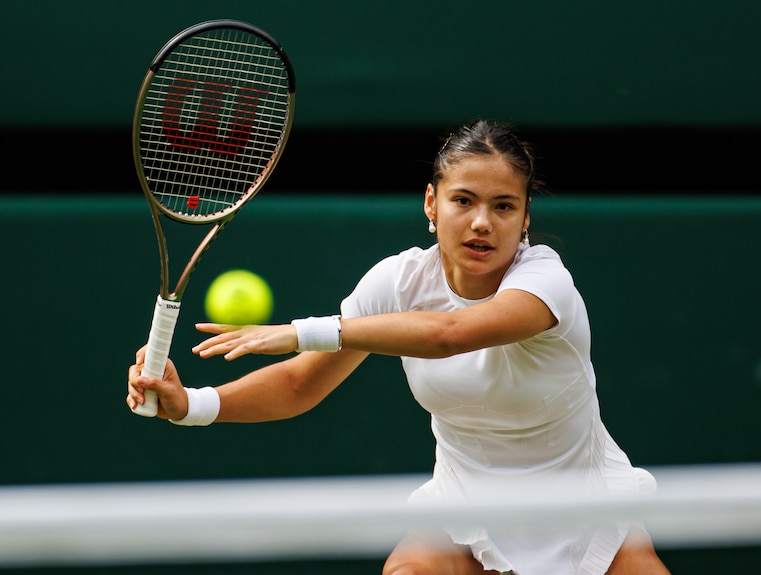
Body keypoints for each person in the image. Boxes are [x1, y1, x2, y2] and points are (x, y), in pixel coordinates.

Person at [127, 119, 670, 575]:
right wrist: (190, 405)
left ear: (525, 219)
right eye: (464, 200)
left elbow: (447, 335)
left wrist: (302, 331)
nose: (482, 222)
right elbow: (299, 384)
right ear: (432, 203)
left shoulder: (547, 283)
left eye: (504, 207)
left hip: (585, 506)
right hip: (466, 505)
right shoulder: (398, 282)